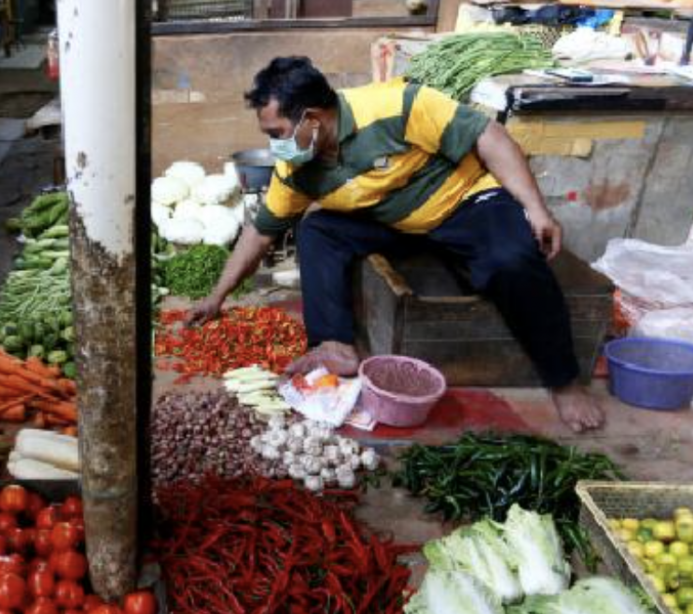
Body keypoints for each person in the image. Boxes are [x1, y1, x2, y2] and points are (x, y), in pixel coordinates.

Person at [188, 57, 604, 432]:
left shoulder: (396, 105)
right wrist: (216, 296)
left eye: (277, 132)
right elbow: (261, 232)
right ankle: (333, 344)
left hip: (464, 203)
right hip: (396, 221)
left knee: (512, 262)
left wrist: (536, 209)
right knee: (317, 231)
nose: (275, 143)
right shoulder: (296, 168)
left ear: (312, 118)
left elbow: (489, 137)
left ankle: (563, 381)